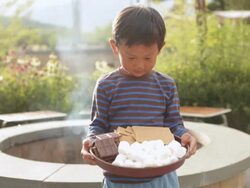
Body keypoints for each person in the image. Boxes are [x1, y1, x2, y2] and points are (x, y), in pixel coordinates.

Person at [81, 5, 197, 188]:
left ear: (160, 49)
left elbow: (174, 124)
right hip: (119, 177)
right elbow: (98, 125)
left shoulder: (166, 85)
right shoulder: (106, 86)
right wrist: (91, 142)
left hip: (161, 177)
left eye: (148, 58)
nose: (140, 66)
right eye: (131, 58)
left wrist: (185, 135)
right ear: (115, 46)